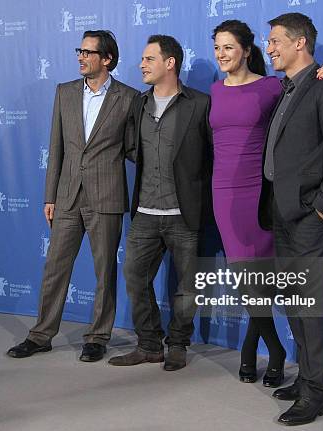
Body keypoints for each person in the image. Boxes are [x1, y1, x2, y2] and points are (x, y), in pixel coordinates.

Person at [209, 20, 323, 388]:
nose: (222, 54)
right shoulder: (214, 91)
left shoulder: (271, 87)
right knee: (248, 281)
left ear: (246, 51)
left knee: (266, 283)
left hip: (263, 195)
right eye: (217, 47)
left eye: (229, 47)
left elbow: (306, 94)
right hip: (225, 194)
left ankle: (271, 355)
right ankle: (273, 350)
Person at [7, 30, 138, 362]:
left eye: (88, 52)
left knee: (105, 270)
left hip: (106, 196)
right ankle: (41, 334)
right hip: (66, 196)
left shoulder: (130, 98)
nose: (81, 56)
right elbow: (57, 148)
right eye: (79, 50)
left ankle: (97, 336)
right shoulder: (64, 92)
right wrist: (49, 195)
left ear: (107, 59)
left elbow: (136, 148)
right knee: (55, 267)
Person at [258, 13, 323, 425]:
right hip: (282, 212)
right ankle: (315, 377)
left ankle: (315, 394)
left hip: (310, 216)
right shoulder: (287, 88)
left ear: (300, 43)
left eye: (276, 40)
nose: (269, 48)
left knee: (310, 305)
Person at [108, 35, 213, 371]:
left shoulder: (199, 103)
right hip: (145, 213)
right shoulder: (138, 104)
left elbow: (212, 156)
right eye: (142, 59)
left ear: (170, 63)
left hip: (184, 214)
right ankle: (150, 344)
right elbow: (129, 147)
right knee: (134, 276)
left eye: (149, 59)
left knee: (187, 285)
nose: (142, 64)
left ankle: (179, 343)